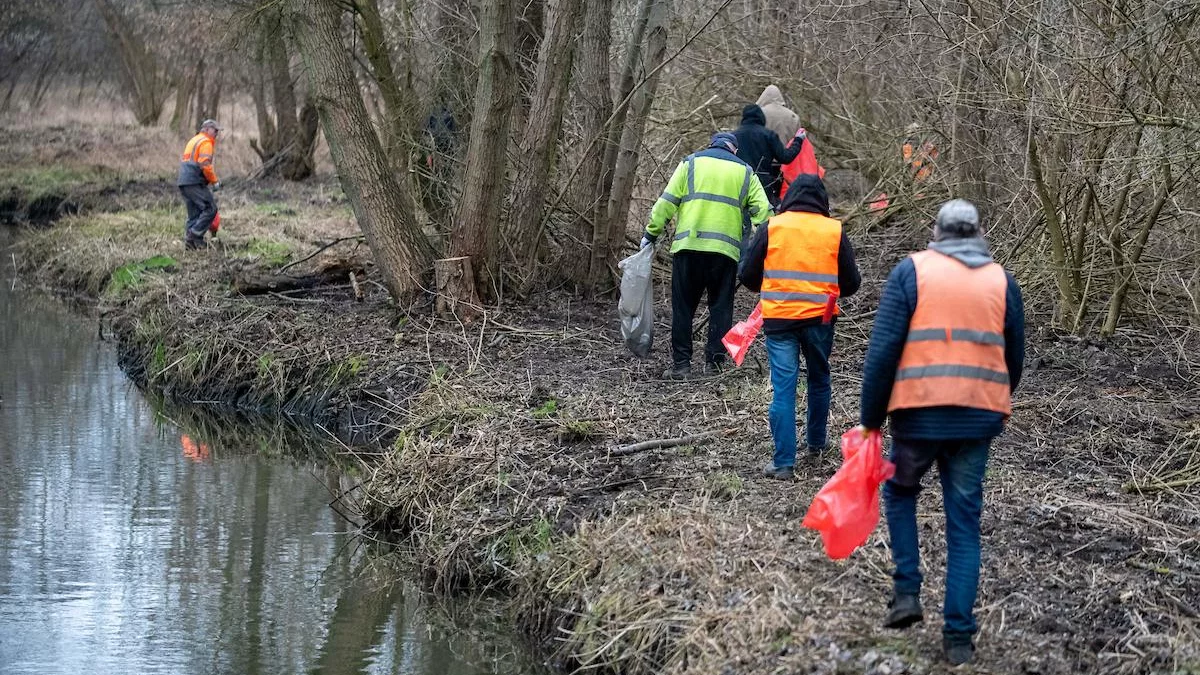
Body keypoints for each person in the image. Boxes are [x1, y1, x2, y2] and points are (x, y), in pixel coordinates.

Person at [857, 199, 1025, 665]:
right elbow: (1014, 358)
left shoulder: (912, 273)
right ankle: (958, 640)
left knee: (902, 492)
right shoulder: (1001, 280)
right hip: (977, 419)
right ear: (978, 233)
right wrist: (994, 400)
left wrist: (871, 419)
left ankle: (907, 591)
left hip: (918, 416)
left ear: (937, 232)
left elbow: (883, 352)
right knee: (964, 524)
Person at [738, 175, 860, 479]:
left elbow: (749, 276)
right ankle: (816, 443)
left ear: (789, 197)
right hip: (820, 320)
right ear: (823, 201)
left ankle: (783, 462)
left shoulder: (772, 226)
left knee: (783, 387)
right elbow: (852, 283)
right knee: (819, 378)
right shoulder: (834, 230)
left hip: (779, 320)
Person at [643, 132, 772, 379]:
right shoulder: (745, 171)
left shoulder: (690, 163)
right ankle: (713, 364)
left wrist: (651, 234)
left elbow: (666, 202)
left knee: (683, 308)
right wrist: (768, 248)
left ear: (711, 145)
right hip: (724, 253)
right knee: (720, 308)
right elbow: (763, 215)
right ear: (734, 150)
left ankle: (681, 365)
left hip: (688, 247)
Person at [734, 102, 803, 208]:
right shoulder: (768, 135)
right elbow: (786, 157)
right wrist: (798, 140)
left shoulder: (733, 136)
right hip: (762, 183)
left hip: (737, 181)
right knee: (763, 217)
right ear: (761, 117)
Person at [177, 119, 223, 250]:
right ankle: (194, 236)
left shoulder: (194, 140)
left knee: (194, 213)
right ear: (207, 129)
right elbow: (205, 165)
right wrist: (215, 181)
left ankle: (190, 244)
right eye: (215, 130)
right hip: (194, 181)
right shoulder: (206, 142)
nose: (217, 134)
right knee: (210, 208)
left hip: (183, 181)